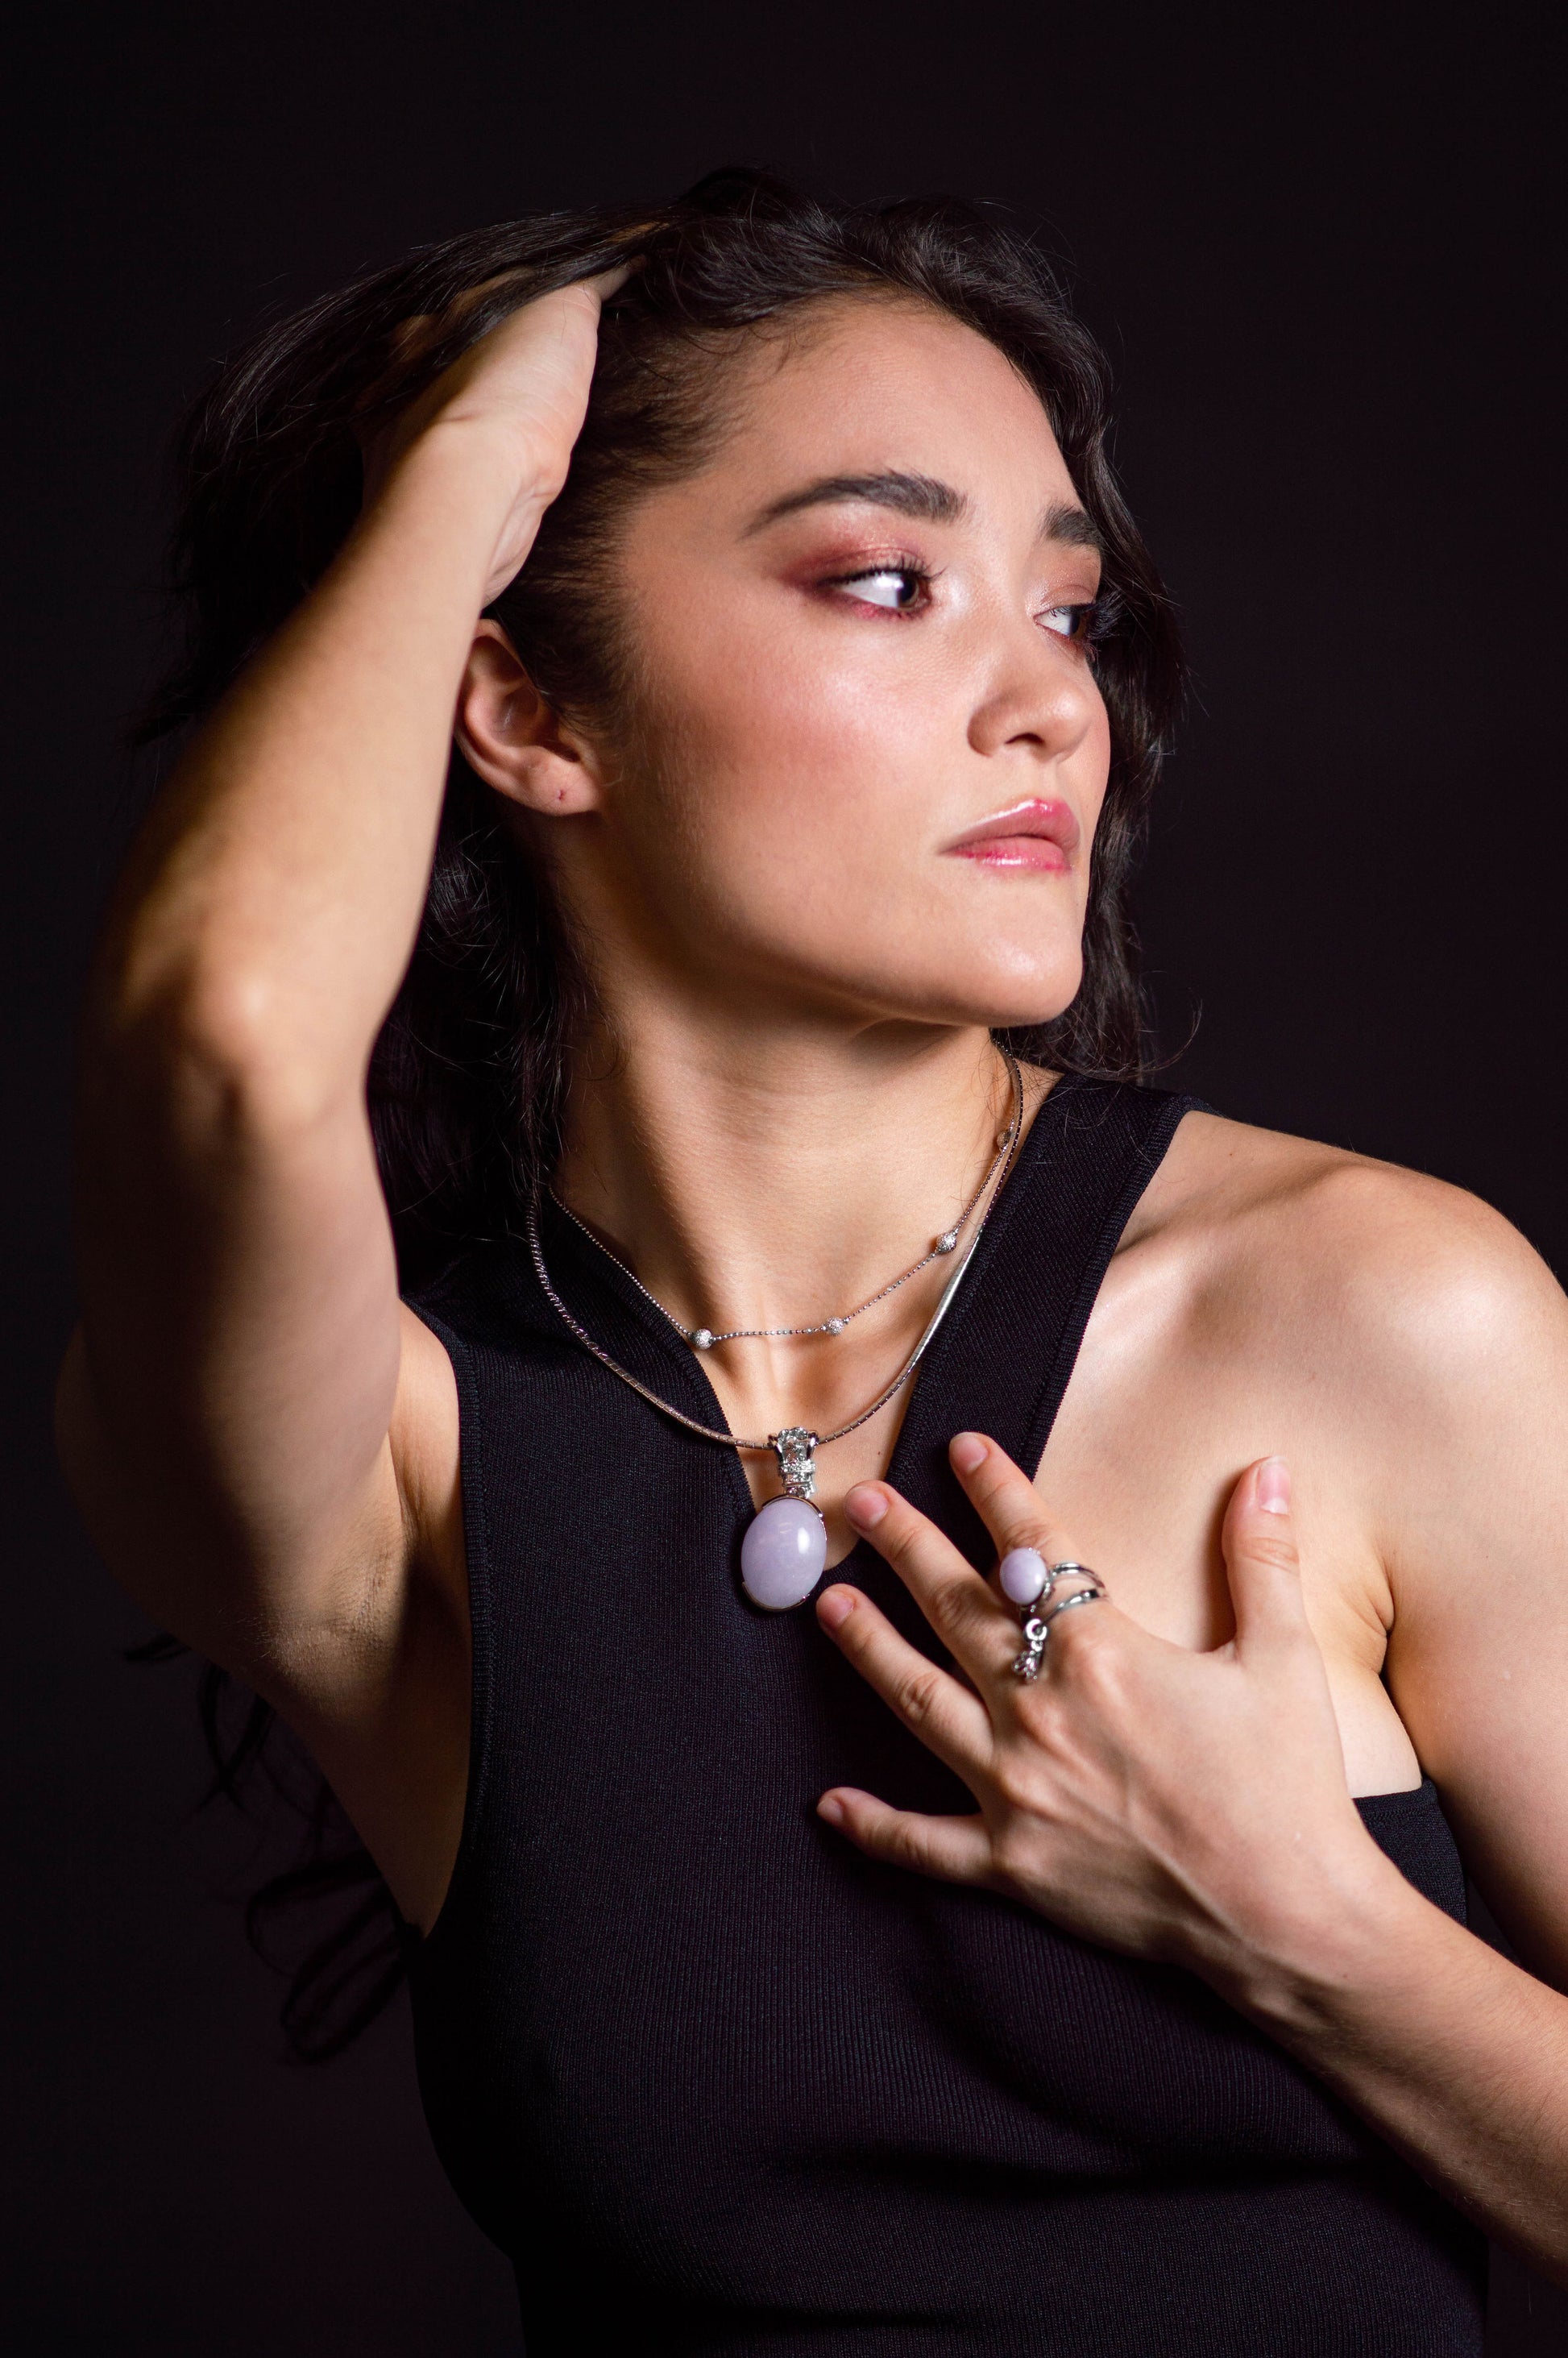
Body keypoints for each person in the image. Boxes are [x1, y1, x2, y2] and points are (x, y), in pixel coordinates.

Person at [56, 170, 1568, 2353]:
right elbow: (224, 1043)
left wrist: (1314, 1936)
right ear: (525, 710)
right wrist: (465, 456)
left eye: (1069, 614)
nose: (1051, 708)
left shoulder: (1373, 1317)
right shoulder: (399, 1461)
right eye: (884, 582)